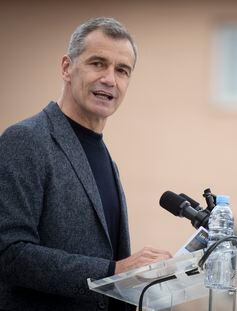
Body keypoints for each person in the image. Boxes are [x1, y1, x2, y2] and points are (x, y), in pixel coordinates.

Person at [0, 17, 172, 311]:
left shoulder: (107, 159)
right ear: (67, 68)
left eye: (122, 70)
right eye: (97, 63)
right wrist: (112, 271)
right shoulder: (26, 140)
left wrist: (138, 280)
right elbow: (9, 253)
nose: (109, 79)